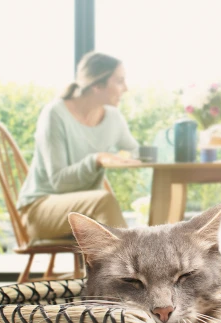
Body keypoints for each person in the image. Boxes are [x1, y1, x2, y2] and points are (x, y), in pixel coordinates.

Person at [17, 52, 140, 241]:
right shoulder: (55, 114)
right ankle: (134, 266)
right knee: (104, 200)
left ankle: (130, 267)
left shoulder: (113, 118)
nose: (126, 88)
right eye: (119, 81)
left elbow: (134, 151)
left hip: (83, 210)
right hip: (40, 210)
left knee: (104, 203)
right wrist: (96, 160)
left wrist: (126, 155)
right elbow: (58, 181)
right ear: (98, 85)